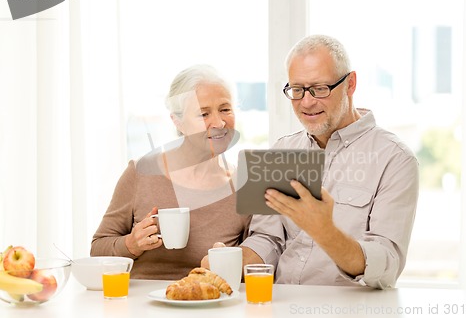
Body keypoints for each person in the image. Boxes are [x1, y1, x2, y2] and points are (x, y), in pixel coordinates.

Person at [203, 34, 419, 289]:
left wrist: (326, 233)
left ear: (350, 84)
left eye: (319, 89)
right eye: (297, 90)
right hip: (279, 306)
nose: (306, 102)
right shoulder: (281, 150)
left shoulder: (395, 159)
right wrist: (230, 262)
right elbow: (267, 239)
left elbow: (387, 266)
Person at [91, 64, 251, 280]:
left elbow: (257, 265)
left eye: (225, 109)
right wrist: (131, 244)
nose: (220, 122)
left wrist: (230, 260)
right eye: (204, 113)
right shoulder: (140, 173)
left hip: (209, 306)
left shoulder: (244, 186)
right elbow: (97, 249)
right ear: (177, 122)